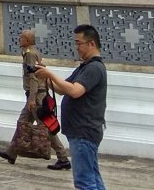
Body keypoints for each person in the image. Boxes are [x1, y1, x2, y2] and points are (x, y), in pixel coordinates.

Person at [35, 25, 107, 190]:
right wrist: (44, 76)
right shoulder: (85, 66)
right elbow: (63, 89)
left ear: (91, 44)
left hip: (84, 131)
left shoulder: (94, 68)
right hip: (81, 130)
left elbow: (75, 91)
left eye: (79, 43)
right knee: (93, 178)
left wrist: (51, 74)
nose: (77, 47)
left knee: (84, 181)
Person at [0, 29, 71, 169]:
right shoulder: (30, 52)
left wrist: (32, 98)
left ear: (28, 41)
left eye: (22, 37)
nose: (19, 39)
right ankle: (11, 152)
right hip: (35, 95)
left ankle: (63, 158)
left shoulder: (30, 54)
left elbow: (34, 78)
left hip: (36, 97)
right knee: (23, 122)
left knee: (45, 126)